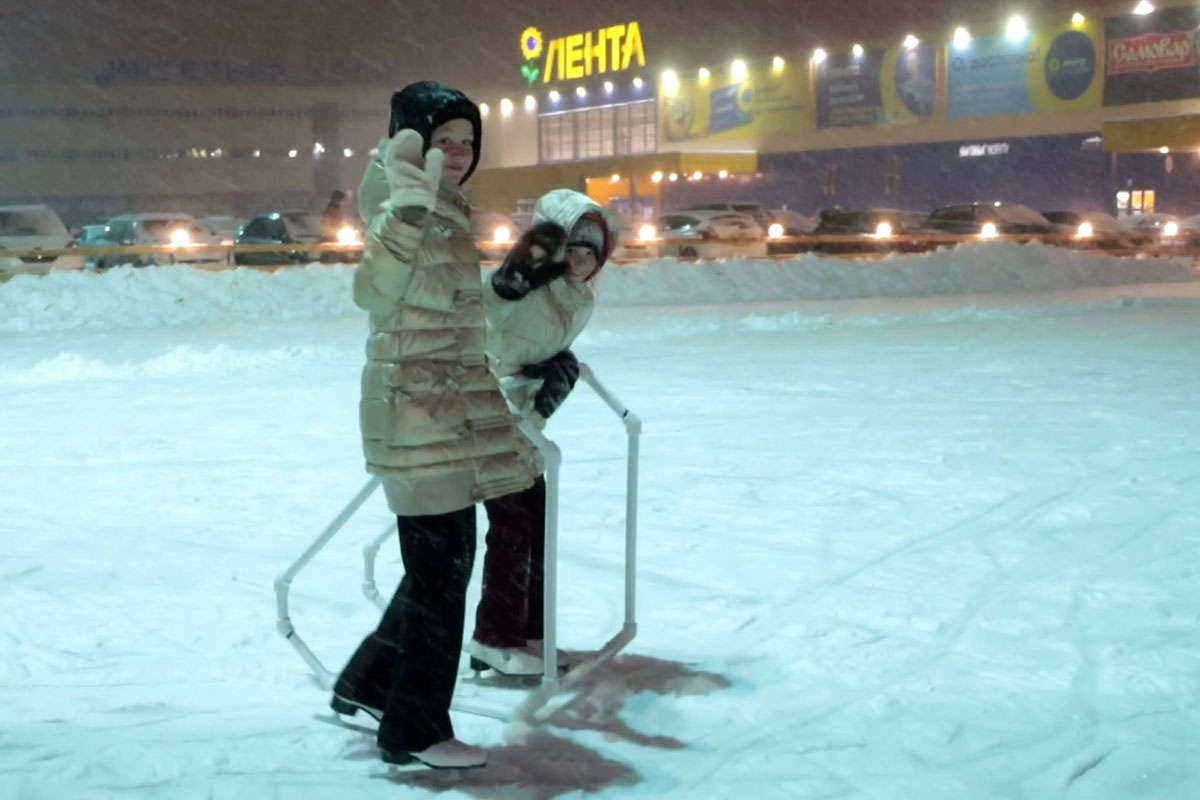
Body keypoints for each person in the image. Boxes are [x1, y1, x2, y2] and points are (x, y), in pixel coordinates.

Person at [329, 80, 539, 770]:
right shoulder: (403, 204)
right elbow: (374, 293)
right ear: (408, 143)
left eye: (467, 143)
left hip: (439, 411)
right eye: (442, 140)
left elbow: (449, 324)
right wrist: (407, 216)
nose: (457, 154)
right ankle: (414, 729)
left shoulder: (445, 208)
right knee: (442, 576)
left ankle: (368, 683)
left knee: (434, 572)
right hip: (415, 412)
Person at [465, 189, 619, 676]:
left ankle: (530, 633)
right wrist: (506, 284)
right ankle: (494, 637)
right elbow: (486, 312)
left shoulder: (583, 300)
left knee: (536, 527)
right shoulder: (530, 283)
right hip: (487, 413)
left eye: (589, 252)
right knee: (512, 527)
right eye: (571, 248)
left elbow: (545, 349)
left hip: (525, 425)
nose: (579, 260)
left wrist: (559, 370)